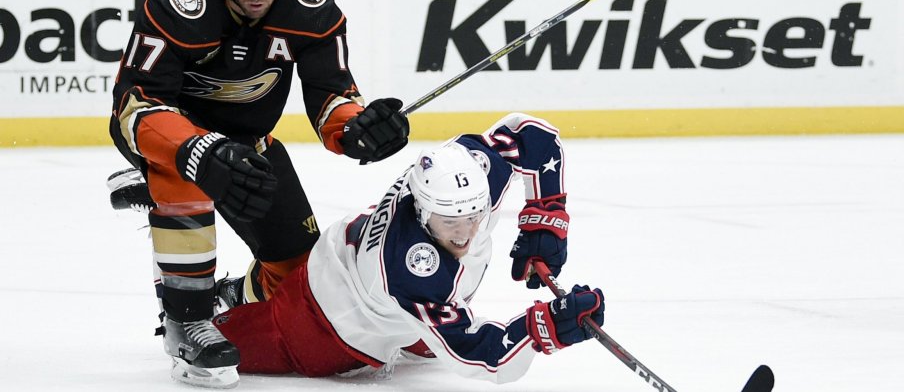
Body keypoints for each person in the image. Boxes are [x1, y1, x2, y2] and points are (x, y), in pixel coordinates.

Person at [107, 0, 409, 388]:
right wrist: (196, 151)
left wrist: (361, 129)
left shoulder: (315, 14)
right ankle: (186, 319)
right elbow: (134, 108)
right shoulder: (179, 2)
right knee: (188, 178)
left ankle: (232, 292)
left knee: (298, 279)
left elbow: (333, 99)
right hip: (174, 133)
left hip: (252, 144)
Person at [111, 113, 603, 384]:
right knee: (211, 349)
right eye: (449, 222)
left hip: (360, 289)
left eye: (475, 216)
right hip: (319, 332)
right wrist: (544, 328)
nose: (466, 232)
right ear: (421, 206)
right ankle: (167, 185)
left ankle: (235, 290)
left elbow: (533, 138)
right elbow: (485, 357)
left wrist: (545, 220)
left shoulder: (472, 172)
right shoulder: (413, 269)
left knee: (421, 342)